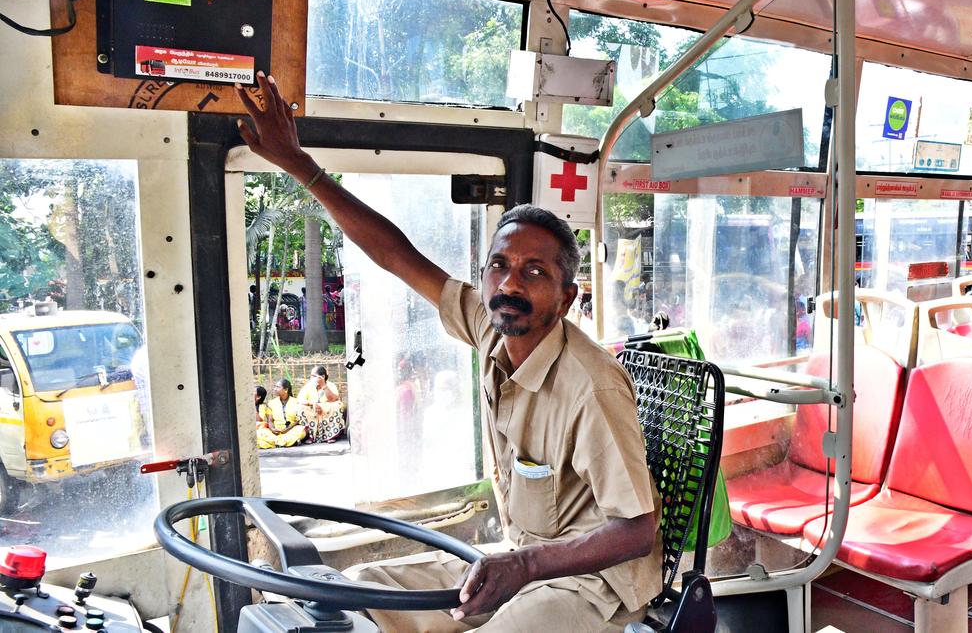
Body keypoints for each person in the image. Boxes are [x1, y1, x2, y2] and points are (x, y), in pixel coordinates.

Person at [236, 72, 660, 632]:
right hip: (519, 557)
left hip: (590, 585)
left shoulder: (591, 386)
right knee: (360, 594)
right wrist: (300, 166)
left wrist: (526, 564)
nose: (510, 283)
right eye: (499, 266)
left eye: (535, 272)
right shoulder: (492, 327)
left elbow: (638, 530)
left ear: (566, 298)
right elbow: (394, 255)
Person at [297, 365, 345, 443]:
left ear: (322, 376)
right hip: (313, 409)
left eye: (313, 376)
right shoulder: (309, 386)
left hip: (327, 411)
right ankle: (310, 436)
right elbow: (300, 399)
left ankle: (330, 435)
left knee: (337, 406)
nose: (311, 378)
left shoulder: (331, 385)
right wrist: (313, 403)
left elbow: (333, 399)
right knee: (300, 408)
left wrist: (323, 385)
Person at [257, 378, 306, 449]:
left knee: (301, 430)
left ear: (286, 390)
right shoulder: (271, 403)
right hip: (276, 432)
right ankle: (285, 442)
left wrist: (288, 428)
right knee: (259, 432)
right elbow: (270, 421)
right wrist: (272, 428)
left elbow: (298, 420)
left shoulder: (296, 402)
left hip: (291, 430)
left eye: (278, 387)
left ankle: (275, 443)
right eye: (275, 387)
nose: (275, 389)